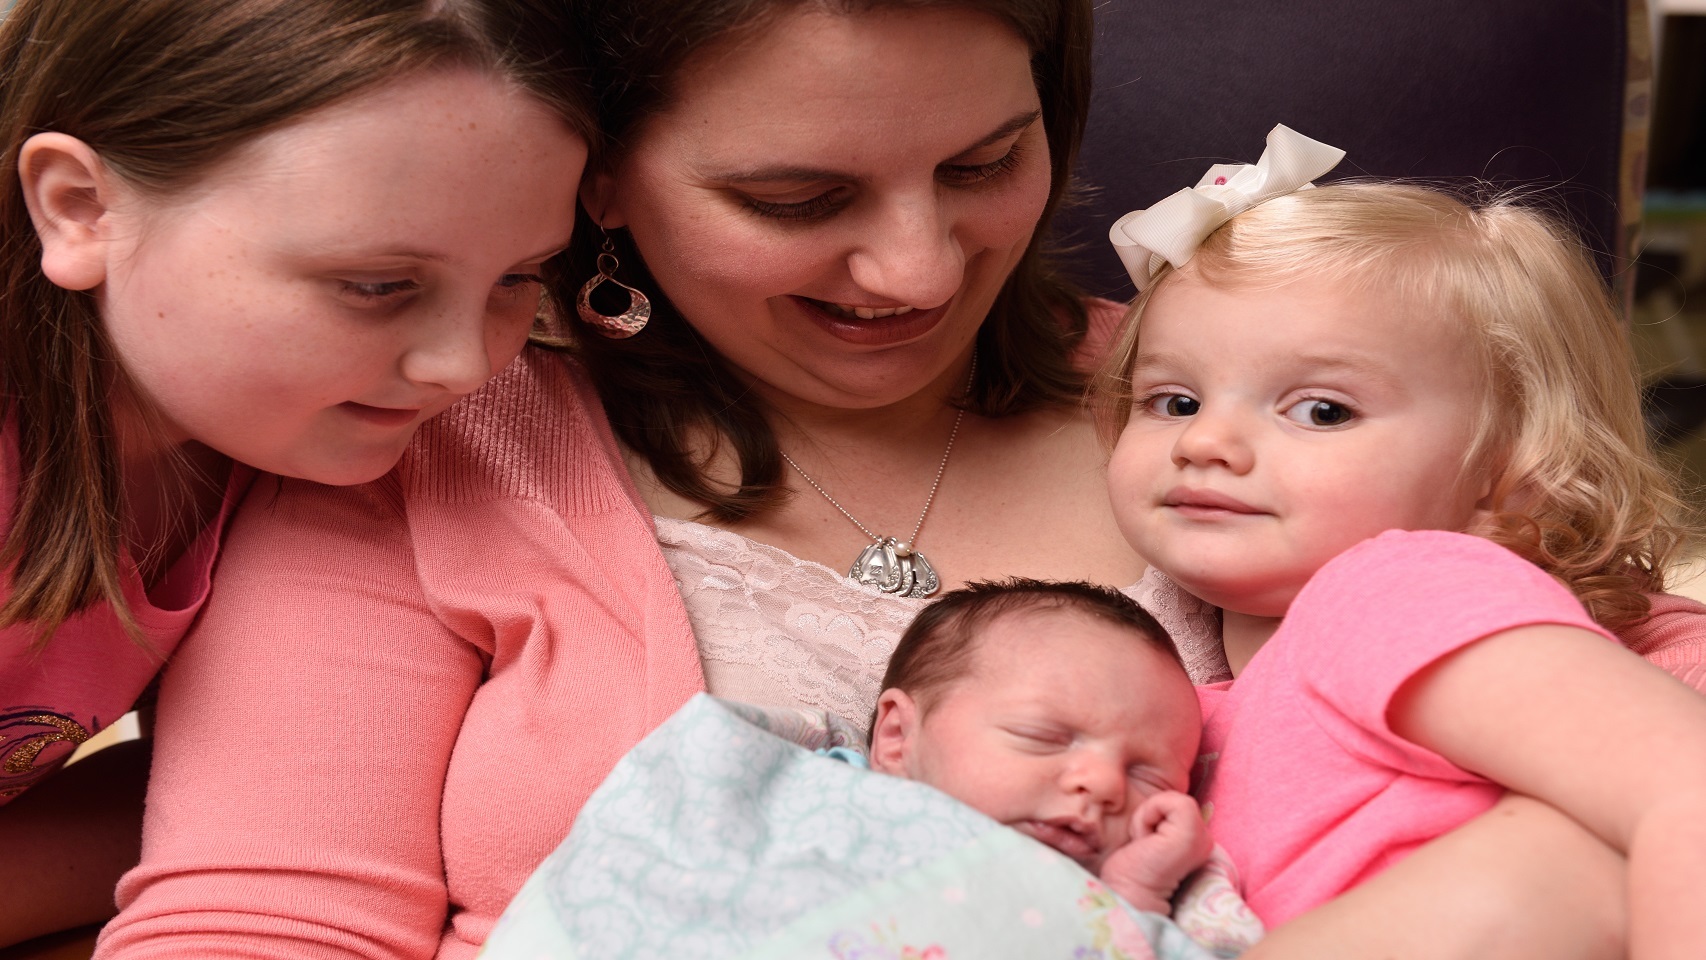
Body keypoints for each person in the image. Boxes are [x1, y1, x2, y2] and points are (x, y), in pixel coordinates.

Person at [95, 5, 1699, 960]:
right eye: (795, 193)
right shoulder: (414, 444)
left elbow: (1639, 688)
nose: (920, 263)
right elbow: (262, 920)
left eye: (983, 164)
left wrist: (1537, 873)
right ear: (592, 177)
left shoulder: (1255, 389)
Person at [0, 0, 592, 948]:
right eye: (376, 286)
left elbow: (193, 805)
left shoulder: (272, 445)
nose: (466, 366)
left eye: (519, 279)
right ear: (80, 206)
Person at [1099, 129, 1706, 952]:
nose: (1205, 442)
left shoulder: (1394, 591)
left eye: (1321, 410)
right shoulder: (1191, 705)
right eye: (1174, 401)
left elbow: (1686, 792)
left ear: (1505, 480)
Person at [867, 579, 1210, 915]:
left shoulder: (1159, 899)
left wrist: (1135, 896)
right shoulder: (825, 804)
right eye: (1041, 736)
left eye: (1150, 779)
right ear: (897, 738)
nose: (1105, 784)